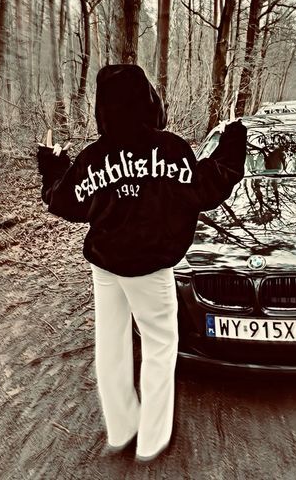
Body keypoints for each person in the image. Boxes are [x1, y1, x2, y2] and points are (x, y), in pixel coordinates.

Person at [36, 64, 247, 462]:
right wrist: (233, 139)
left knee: (111, 345)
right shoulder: (171, 149)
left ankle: (121, 428)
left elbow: (65, 201)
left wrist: (52, 164)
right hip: (151, 270)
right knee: (160, 346)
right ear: (148, 99)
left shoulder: (93, 158)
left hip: (106, 267)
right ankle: (151, 439)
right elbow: (208, 185)